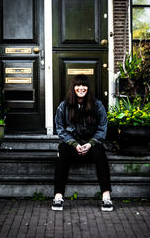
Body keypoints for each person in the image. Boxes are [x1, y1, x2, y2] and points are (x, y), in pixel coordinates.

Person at [52, 75, 113, 212]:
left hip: (91, 144)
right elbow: (60, 129)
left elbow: (102, 128)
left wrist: (90, 143)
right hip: (72, 145)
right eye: (78, 85)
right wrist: (74, 144)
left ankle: (106, 196)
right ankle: (58, 196)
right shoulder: (64, 106)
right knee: (62, 152)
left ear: (88, 88)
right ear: (73, 88)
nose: (81, 88)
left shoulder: (97, 105)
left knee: (100, 154)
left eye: (84, 85)